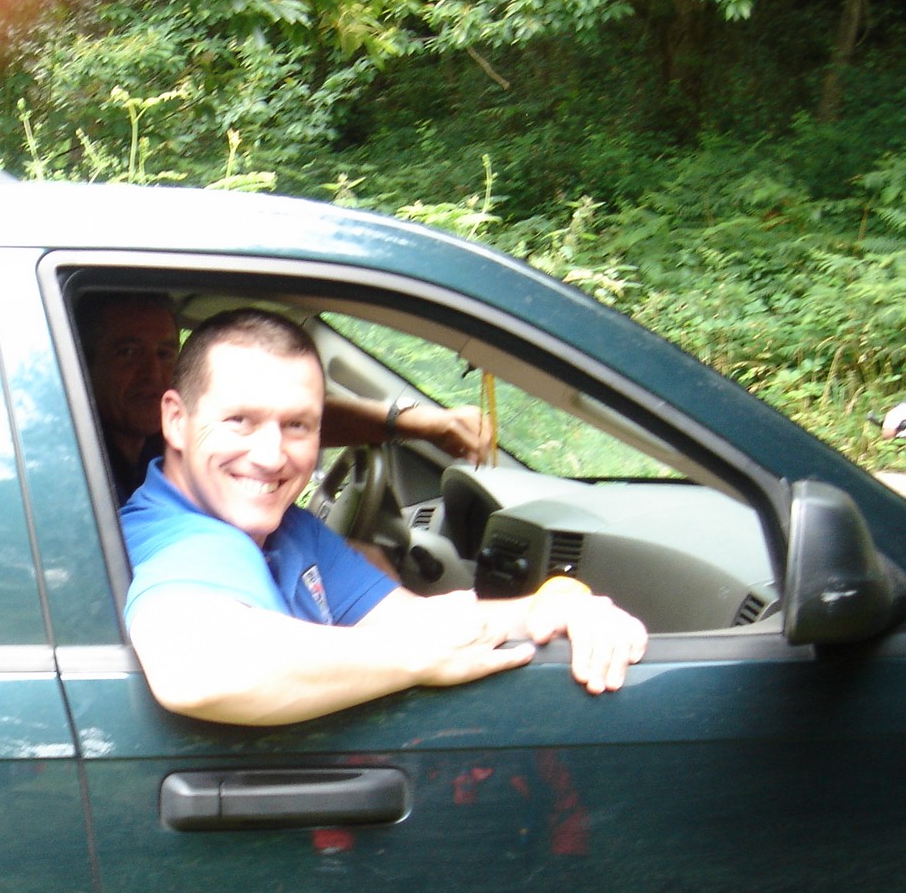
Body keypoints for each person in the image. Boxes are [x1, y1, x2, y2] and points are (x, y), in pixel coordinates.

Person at [120, 308, 647, 726]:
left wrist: (553, 606)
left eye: (298, 425)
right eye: (240, 420)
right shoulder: (179, 538)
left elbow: (416, 620)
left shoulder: (287, 528)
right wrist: (415, 658)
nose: (272, 455)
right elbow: (197, 670)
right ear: (176, 420)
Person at [78, 291, 494, 501]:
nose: (154, 374)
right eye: (127, 353)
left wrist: (410, 421)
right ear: (86, 361)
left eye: (165, 352)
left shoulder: (166, 437)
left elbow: (290, 417)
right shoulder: (73, 463)